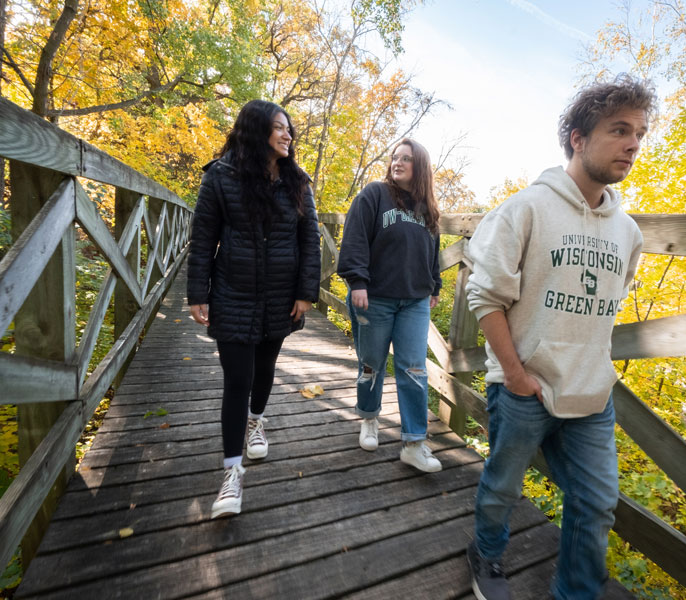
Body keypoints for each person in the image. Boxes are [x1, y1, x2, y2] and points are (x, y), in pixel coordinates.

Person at [464, 74, 657, 599]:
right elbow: (485, 297)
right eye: (619, 130)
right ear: (577, 137)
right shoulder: (526, 209)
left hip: (592, 393)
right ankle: (486, 553)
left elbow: (606, 307)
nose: (633, 143)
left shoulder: (629, 232)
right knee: (502, 487)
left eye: (639, 132)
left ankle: (574, 591)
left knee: (597, 502)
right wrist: (515, 374)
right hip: (525, 386)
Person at [187, 99, 321, 518]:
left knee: (265, 370)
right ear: (256, 130)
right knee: (237, 380)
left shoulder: (298, 181)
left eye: (289, 129)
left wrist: (306, 292)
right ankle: (231, 473)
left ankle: (256, 421)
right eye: (280, 128)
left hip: (282, 295)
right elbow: (204, 235)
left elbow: (310, 239)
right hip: (233, 291)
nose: (288, 135)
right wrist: (198, 292)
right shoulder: (221, 177)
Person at [337, 138, 443, 473]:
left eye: (406, 158)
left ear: (420, 166)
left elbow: (433, 250)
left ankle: (414, 442)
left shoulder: (426, 208)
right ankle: (369, 419)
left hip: (414, 302)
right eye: (394, 157)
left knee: (414, 368)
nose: (397, 162)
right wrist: (357, 281)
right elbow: (354, 236)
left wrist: (435, 285)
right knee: (371, 364)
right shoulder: (374, 194)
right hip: (375, 298)